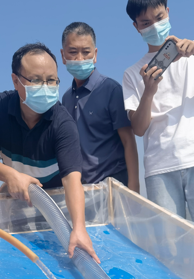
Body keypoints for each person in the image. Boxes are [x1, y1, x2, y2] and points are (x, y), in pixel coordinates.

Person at [0, 42, 99, 262]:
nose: (45, 87)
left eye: (51, 80)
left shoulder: (63, 123)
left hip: (55, 210)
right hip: (15, 203)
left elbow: (72, 180)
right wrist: (10, 175)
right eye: (35, 80)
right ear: (15, 81)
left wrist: (79, 228)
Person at [122, 0, 194, 241]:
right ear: (136, 27)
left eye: (159, 18)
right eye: (146, 22)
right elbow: (138, 129)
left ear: (168, 13)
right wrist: (148, 91)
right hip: (159, 168)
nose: (154, 26)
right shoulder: (132, 74)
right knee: (170, 252)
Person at [60, 22, 140, 193]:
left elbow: (129, 141)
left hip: (114, 185)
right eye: (73, 52)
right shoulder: (66, 98)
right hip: (83, 190)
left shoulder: (111, 90)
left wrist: (134, 188)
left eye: (86, 52)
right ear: (63, 55)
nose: (80, 58)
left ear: (95, 55)